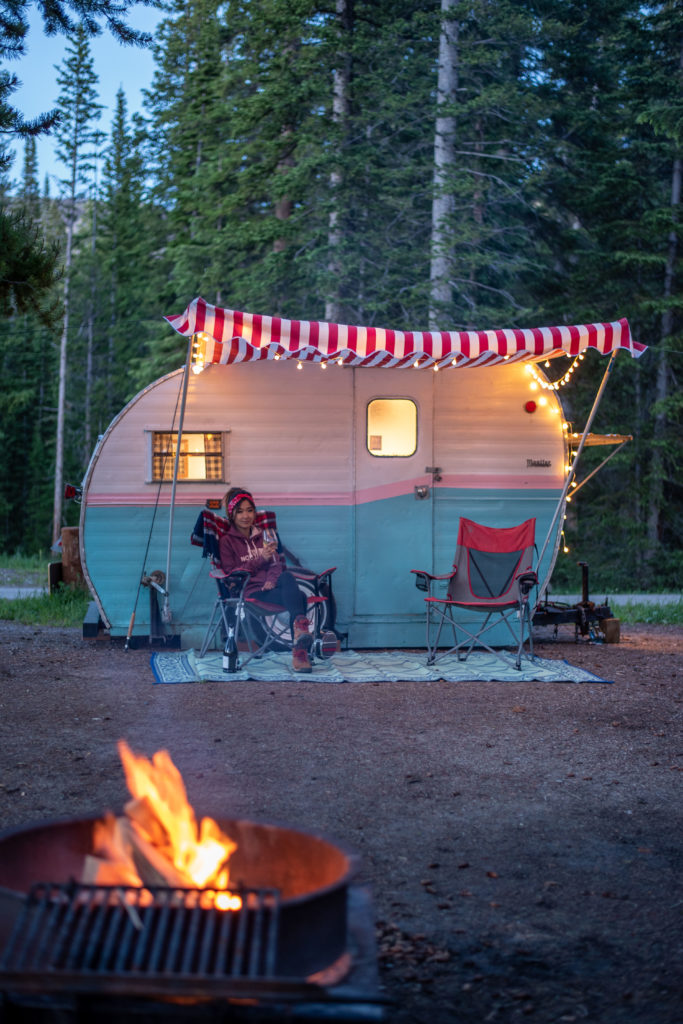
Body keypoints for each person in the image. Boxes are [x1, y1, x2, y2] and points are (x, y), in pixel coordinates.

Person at [218, 487, 313, 673]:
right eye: (240, 512)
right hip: (250, 591)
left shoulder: (264, 535)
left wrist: (271, 579)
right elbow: (232, 573)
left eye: (249, 510)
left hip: (271, 587)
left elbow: (277, 564)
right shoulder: (227, 541)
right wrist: (261, 557)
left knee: (286, 576)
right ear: (232, 515)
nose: (246, 516)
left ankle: (300, 636)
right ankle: (300, 651)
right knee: (300, 597)